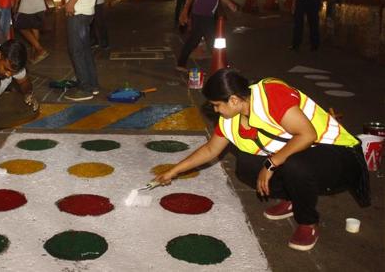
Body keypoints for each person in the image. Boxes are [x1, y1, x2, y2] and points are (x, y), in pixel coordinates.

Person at [155, 69, 370, 251]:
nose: (215, 110)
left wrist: (271, 163)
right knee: (246, 166)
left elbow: (307, 135)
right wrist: (174, 171)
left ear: (234, 99)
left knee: (293, 165)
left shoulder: (271, 96)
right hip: (306, 155)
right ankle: (293, 198)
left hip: (338, 155)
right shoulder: (231, 119)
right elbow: (211, 149)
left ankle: (308, 222)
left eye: (217, 105)